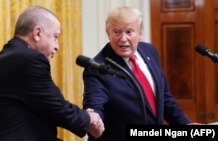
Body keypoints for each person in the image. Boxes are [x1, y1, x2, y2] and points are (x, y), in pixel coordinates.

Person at [0, 6, 104, 141]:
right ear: (37, 33)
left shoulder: (9, 58)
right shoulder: (28, 59)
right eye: (55, 37)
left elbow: (40, 116)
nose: (57, 46)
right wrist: (88, 118)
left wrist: (84, 117)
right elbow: (56, 106)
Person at [82, 6, 192, 141]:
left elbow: (164, 98)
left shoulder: (149, 51)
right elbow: (95, 103)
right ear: (108, 33)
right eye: (117, 32)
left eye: (129, 32)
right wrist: (94, 117)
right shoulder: (97, 67)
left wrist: (187, 126)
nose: (123, 38)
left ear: (140, 33)